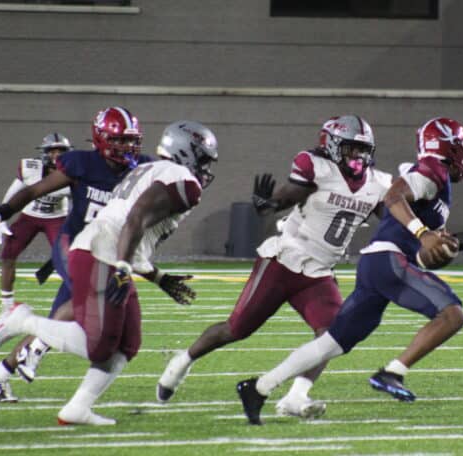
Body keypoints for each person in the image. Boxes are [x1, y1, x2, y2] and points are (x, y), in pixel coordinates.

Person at [235, 117, 463, 425]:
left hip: (378, 264)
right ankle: (392, 373)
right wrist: (421, 233)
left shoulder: (439, 184)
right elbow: (393, 197)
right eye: (462, 148)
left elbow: (442, 243)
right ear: (448, 147)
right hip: (389, 259)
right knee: (452, 314)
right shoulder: (434, 168)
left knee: (332, 343)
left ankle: (258, 388)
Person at [157, 115, 392, 419]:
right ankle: (183, 360)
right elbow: (285, 197)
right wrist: (267, 205)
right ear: (333, 146)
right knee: (236, 329)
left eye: (362, 149)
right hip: (284, 260)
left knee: (331, 336)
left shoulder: (378, 184)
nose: (357, 156)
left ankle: (295, 398)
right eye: (350, 148)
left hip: (319, 272)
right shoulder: (316, 166)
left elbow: (393, 219)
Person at [0, 120, 217, 425]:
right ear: (187, 152)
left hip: (105, 251)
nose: (206, 169)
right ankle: (22, 321)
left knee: (128, 343)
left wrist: (158, 277)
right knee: (99, 346)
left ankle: (77, 408)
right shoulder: (184, 182)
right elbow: (134, 220)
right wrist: (122, 268)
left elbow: (133, 230)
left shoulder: (149, 169)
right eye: (203, 159)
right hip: (101, 254)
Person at [0, 106, 153, 402]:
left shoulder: (142, 169)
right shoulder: (83, 164)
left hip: (105, 253)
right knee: (97, 295)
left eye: (130, 140)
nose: (126, 147)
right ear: (101, 139)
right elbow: (33, 191)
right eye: (119, 140)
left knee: (56, 322)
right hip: (73, 246)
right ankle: (30, 336)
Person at [0, 133, 73, 315]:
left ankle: (74, 302)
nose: (57, 155)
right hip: (30, 216)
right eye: (53, 151)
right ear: (44, 153)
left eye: (61, 151)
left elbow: (80, 203)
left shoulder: (73, 172)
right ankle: (6, 307)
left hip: (57, 217)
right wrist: (1, 220)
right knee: (8, 255)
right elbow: (12, 194)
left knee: (68, 260)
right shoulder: (30, 169)